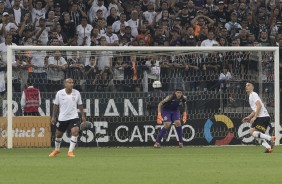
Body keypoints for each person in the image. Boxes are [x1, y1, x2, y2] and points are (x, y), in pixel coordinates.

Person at [49, 78, 86, 157]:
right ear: (65, 84)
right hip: (62, 117)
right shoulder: (59, 93)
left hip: (73, 116)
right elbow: (55, 105)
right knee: (58, 135)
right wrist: (53, 117)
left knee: (75, 132)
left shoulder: (77, 93)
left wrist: (83, 115)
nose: (71, 84)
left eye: (72, 82)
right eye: (69, 83)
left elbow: (80, 104)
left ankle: (70, 152)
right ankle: (57, 149)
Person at [242, 81, 276, 153]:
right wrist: (249, 117)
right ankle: (268, 147)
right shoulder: (251, 96)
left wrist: (254, 117)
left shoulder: (253, 94)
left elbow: (259, 106)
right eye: (246, 85)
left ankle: (270, 138)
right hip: (262, 117)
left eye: (248, 85)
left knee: (253, 132)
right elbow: (255, 109)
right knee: (255, 134)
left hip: (262, 117)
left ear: (252, 87)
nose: (246, 86)